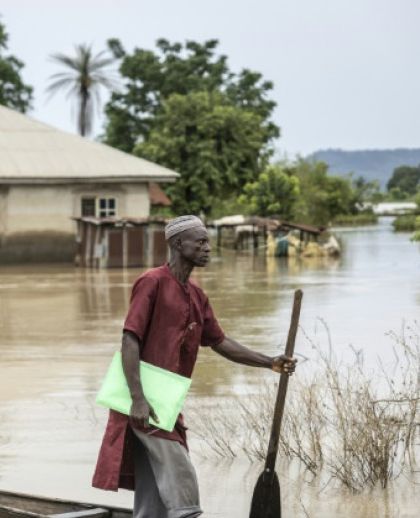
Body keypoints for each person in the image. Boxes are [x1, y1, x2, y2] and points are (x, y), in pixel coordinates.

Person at [92, 215, 297, 517]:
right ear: (177, 244)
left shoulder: (198, 295)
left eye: (207, 242)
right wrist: (137, 396)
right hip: (143, 401)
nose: (207, 248)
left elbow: (220, 342)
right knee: (180, 474)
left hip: (166, 401)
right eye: (200, 242)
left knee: (153, 489)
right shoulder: (152, 282)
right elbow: (129, 340)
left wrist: (269, 362)